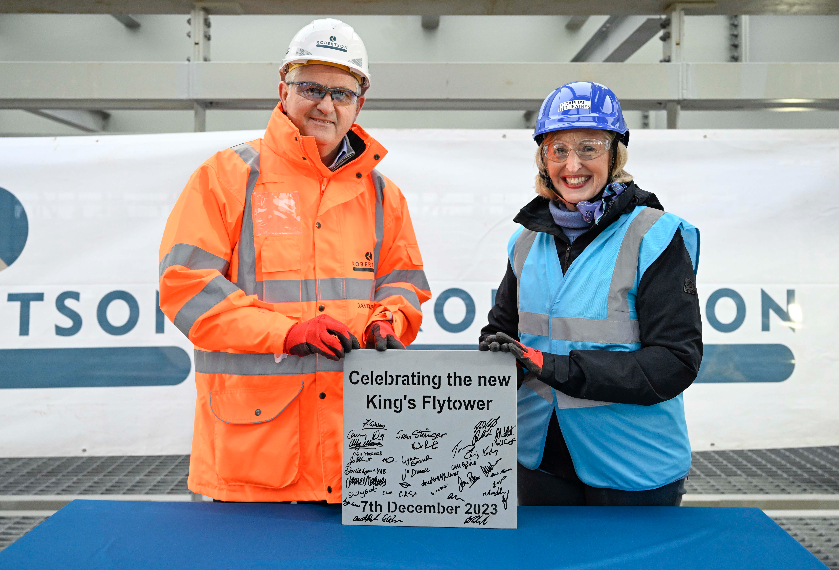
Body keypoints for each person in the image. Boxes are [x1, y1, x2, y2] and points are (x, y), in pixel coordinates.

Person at [158, 18, 431, 503]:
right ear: (282, 90)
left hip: (362, 456)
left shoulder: (384, 196)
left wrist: (386, 321)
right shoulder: (227, 176)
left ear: (358, 104)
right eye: (311, 87)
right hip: (255, 461)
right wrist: (286, 333)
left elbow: (403, 285)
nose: (325, 104)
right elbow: (187, 289)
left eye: (341, 93)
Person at [479, 81, 702, 507]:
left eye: (589, 148)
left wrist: (557, 367)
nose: (572, 164)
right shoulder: (525, 241)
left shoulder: (655, 235)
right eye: (558, 150)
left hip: (632, 467)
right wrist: (494, 353)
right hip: (537, 461)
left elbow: (675, 361)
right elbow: (503, 329)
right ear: (543, 159)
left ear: (615, 155)